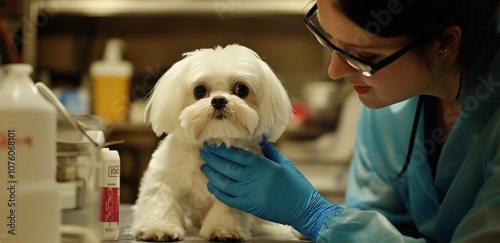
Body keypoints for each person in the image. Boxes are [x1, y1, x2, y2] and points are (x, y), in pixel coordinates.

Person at [200, 0, 500, 242]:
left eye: (362, 56)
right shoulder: (387, 104)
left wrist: (316, 216)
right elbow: (377, 220)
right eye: (331, 42)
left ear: (445, 42)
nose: (334, 70)